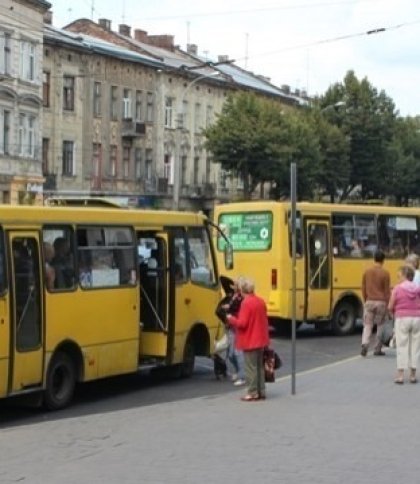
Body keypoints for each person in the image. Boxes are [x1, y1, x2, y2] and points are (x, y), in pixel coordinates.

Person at [227, 277, 270, 401]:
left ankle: (252, 392)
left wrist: (231, 318)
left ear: (241, 289)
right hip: (261, 339)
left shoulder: (246, 303)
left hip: (250, 340)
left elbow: (242, 323)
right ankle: (261, 390)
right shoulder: (260, 301)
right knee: (259, 367)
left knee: (250, 368)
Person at [388, 265, 420, 384]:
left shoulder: (397, 289)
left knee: (402, 346)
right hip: (417, 319)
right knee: (415, 346)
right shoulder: (418, 288)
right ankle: (412, 375)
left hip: (402, 318)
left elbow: (391, 305)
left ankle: (401, 375)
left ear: (405, 276)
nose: (398, 278)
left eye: (399, 276)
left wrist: (392, 313)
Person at [361, 250, 391, 357]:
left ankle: (365, 343)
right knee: (380, 325)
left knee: (367, 325)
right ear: (383, 260)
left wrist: (366, 299)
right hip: (381, 302)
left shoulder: (367, 271)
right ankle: (377, 348)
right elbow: (387, 291)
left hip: (369, 301)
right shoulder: (385, 273)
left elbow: (363, 288)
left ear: (374, 258)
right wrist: (388, 306)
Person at [223, 278, 245, 386]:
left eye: (236, 285)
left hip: (237, 326)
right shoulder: (234, 296)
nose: (234, 287)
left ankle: (242, 375)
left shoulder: (242, 298)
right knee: (231, 354)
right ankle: (238, 371)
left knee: (238, 353)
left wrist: (229, 308)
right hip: (231, 326)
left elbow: (237, 309)